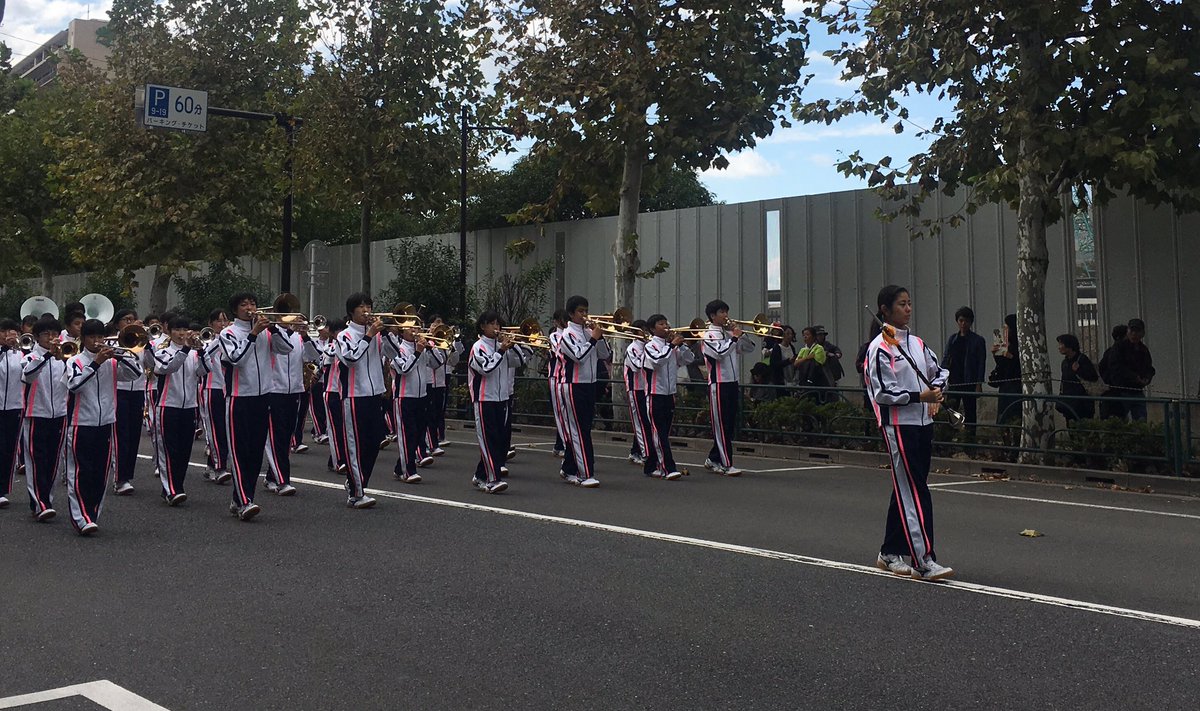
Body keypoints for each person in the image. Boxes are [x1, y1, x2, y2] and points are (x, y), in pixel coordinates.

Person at [865, 284, 954, 581]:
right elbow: (882, 393)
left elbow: (937, 370)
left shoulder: (916, 343)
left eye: (909, 303)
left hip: (922, 424)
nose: (908, 308)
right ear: (885, 311)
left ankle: (890, 551)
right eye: (901, 304)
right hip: (898, 426)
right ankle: (924, 559)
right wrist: (919, 397)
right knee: (915, 491)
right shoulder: (879, 347)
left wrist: (938, 390)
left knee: (908, 487)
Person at [62, 319, 142, 534]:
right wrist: (95, 363)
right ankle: (80, 517)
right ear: (83, 339)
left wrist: (120, 356)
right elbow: (74, 385)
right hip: (80, 424)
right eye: (92, 337)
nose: (97, 341)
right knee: (81, 471)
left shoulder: (113, 362)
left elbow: (137, 374)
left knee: (100, 473)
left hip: (106, 422)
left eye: (100, 337)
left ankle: (92, 514)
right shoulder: (75, 361)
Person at [219, 292, 295, 521]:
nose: (250, 308)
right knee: (240, 452)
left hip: (264, 397)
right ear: (235, 310)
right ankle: (244, 501)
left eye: (252, 303)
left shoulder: (265, 331)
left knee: (254, 454)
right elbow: (236, 359)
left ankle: (239, 498)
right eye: (244, 305)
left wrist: (272, 328)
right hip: (239, 398)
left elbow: (286, 349)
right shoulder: (228, 333)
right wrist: (253, 334)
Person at [337, 293, 399, 509]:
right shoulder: (344, 335)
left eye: (368, 306)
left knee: (373, 443)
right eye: (361, 307)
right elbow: (351, 359)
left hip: (375, 394)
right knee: (355, 446)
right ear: (352, 311)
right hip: (354, 396)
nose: (366, 310)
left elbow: (396, 352)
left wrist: (388, 334)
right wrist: (370, 335)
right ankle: (356, 493)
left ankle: (356, 483)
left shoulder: (378, 334)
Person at [557, 295, 610, 487]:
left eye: (586, 311)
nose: (585, 315)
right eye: (580, 311)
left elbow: (605, 355)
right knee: (580, 430)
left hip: (589, 384)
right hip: (573, 385)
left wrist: (600, 337)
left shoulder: (588, 332)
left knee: (583, 428)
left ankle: (569, 468)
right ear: (571, 314)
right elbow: (578, 356)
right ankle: (585, 473)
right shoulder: (566, 335)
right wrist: (593, 340)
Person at [150, 317, 203, 506]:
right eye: (177, 330)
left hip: (189, 406)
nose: (182, 333)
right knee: (168, 449)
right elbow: (167, 367)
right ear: (169, 331)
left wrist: (202, 352)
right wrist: (186, 349)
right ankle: (171, 489)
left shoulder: (193, 353)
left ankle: (176, 486)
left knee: (184, 450)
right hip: (167, 406)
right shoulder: (162, 351)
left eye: (184, 329)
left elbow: (203, 371)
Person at [701, 299, 755, 476]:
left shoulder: (728, 333)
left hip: (733, 382)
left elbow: (749, 348)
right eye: (722, 312)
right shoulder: (708, 335)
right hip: (718, 384)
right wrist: (733, 338)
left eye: (726, 311)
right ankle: (725, 463)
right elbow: (719, 354)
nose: (726, 315)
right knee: (721, 425)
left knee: (729, 424)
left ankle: (713, 458)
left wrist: (739, 334)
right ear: (712, 316)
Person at [22, 317, 68, 521]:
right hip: (35, 414)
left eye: (54, 334)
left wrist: (63, 359)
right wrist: (47, 357)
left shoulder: (65, 357)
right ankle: (40, 503)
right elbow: (27, 376)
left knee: (53, 461)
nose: (51, 338)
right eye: (46, 335)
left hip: (59, 414)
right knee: (36, 460)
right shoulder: (30, 357)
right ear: (37, 337)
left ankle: (46, 500)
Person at [468, 311, 516, 493]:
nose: (496, 327)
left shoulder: (501, 346)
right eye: (492, 324)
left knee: (498, 440)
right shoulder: (478, 347)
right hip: (484, 398)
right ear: (482, 326)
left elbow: (518, 361)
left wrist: (513, 346)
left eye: (498, 324)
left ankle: (481, 474)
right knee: (489, 439)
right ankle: (491, 479)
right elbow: (486, 368)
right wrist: (502, 350)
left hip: (502, 397)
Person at [641, 314, 693, 480]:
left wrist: (682, 345)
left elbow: (689, 359)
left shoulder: (672, 347)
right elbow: (657, 361)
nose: (665, 326)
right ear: (652, 329)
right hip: (654, 394)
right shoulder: (650, 346)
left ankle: (651, 466)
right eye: (660, 324)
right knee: (660, 433)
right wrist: (671, 345)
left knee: (663, 433)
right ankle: (668, 468)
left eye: (666, 323)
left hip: (669, 394)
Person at [388, 323, 435, 484]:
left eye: (417, 328)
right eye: (411, 328)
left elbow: (436, 364)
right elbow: (405, 369)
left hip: (421, 395)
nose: (415, 331)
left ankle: (399, 466)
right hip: (404, 396)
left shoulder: (421, 347)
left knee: (418, 434)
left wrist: (431, 349)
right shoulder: (398, 349)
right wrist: (418, 352)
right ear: (402, 330)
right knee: (407, 434)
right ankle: (408, 470)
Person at [109, 309, 146, 495]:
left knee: (133, 436)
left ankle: (127, 476)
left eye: (133, 319)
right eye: (127, 319)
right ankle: (119, 478)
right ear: (118, 324)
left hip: (138, 391)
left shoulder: (142, 340)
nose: (131, 322)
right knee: (120, 435)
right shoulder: (111, 341)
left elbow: (153, 364)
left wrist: (148, 342)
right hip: (119, 391)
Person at [197, 309, 232, 484]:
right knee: (214, 430)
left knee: (225, 429)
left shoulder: (230, 339)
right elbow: (205, 358)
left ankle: (213, 465)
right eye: (219, 321)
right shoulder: (207, 341)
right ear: (211, 324)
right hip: (211, 388)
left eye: (225, 320)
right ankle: (219, 467)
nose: (223, 324)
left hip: (227, 388)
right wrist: (222, 338)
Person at [943, 306, 987, 437]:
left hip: (969, 381)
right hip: (954, 381)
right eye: (961, 320)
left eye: (966, 321)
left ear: (971, 322)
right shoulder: (952, 339)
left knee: (970, 412)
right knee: (951, 411)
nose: (963, 324)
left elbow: (981, 363)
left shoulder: (978, 340)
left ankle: (970, 440)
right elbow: (946, 359)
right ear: (957, 321)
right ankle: (949, 439)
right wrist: (942, 379)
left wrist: (979, 384)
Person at [425, 314, 461, 453]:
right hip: (426, 381)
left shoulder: (442, 342)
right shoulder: (425, 340)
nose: (436, 327)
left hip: (439, 382)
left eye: (439, 324)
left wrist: (451, 344)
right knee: (427, 415)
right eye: (434, 324)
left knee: (437, 413)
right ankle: (427, 444)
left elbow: (452, 360)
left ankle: (434, 442)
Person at [0, 319, 25, 508]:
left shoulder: (21, 353)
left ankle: (2, 490)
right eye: (4, 331)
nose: (9, 335)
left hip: (15, 406)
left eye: (13, 331)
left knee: (9, 449)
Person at [1110, 318, 1155, 422]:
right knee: (1120, 421)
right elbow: (1116, 367)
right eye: (1132, 331)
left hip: (1137, 390)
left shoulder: (1143, 349)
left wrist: (1147, 378)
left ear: (1142, 333)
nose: (1134, 334)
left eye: (1137, 331)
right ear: (1127, 331)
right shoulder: (1119, 347)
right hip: (1121, 390)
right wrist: (1134, 377)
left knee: (1141, 420)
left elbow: (1149, 368)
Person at [321, 318, 348, 475]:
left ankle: (335, 459)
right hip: (331, 392)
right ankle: (339, 461)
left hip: (344, 392)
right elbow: (331, 356)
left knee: (344, 428)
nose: (340, 333)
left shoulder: (345, 344)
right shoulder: (329, 346)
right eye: (337, 330)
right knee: (335, 429)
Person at [1055, 333, 1099, 422]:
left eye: (1061, 344)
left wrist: (1079, 371)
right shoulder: (1065, 362)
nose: (1059, 347)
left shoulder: (1082, 359)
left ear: (1069, 345)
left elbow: (1093, 377)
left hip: (1082, 402)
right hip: (1069, 402)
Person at [623, 320, 649, 465]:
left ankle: (635, 451)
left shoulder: (648, 346)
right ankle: (645, 453)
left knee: (645, 421)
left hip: (645, 388)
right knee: (640, 421)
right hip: (635, 388)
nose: (646, 333)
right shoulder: (633, 347)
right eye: (642, 330)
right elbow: (638, 366)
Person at [988, 314, 1022, 423]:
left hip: (1016, 383)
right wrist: (995, 354)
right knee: (1004, 416)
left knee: (1015, 415)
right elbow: (1001, 364)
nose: (1005, 328)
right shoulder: (1004, 340)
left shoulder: (1020, 343)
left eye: (1007, 326)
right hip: (1004, 382)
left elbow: (1019, 363)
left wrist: (1010, 356)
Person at [547, 310, 569, 459]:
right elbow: (560, 351)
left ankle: (560, 444)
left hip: (568, 378)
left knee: (567, 413)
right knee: (560, 412)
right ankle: (564, 445)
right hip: (556, 376)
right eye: (562, 320)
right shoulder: (555, 335)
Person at [1098, 324, 1129, 420]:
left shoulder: (1109, 351)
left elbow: (1101, 367)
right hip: (1117, 390)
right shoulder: (1119, 352)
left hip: (1111, 390)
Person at [793, 326, 829, 400]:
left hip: (817, 380)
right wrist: (807, 357)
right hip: (803, 379)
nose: (805, 337)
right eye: (804, 335)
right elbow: (796, 363)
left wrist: (803, 360)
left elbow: (817, 362)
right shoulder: (803, 349)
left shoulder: (819, 348)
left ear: (813, 337)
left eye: (807, 335)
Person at [814, 325, 843, 396]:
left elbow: (836, 349)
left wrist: (837, 354)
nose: (821, 337)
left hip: (829, 375)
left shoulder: (827, 344)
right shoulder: (813, 346)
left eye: (822, 335)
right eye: (819, 335)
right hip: (817, 376)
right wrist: (827, 354)